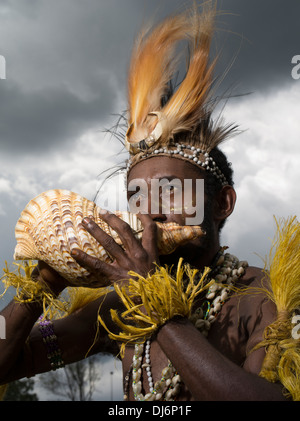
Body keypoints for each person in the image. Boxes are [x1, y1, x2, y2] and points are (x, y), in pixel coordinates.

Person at [0, 1, 299, 401]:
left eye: (172, 191)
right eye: (137, 196)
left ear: (223, 203)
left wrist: (158, 309)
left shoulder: (267, 297)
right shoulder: (119, 308)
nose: (152, 210)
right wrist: (43, 282)